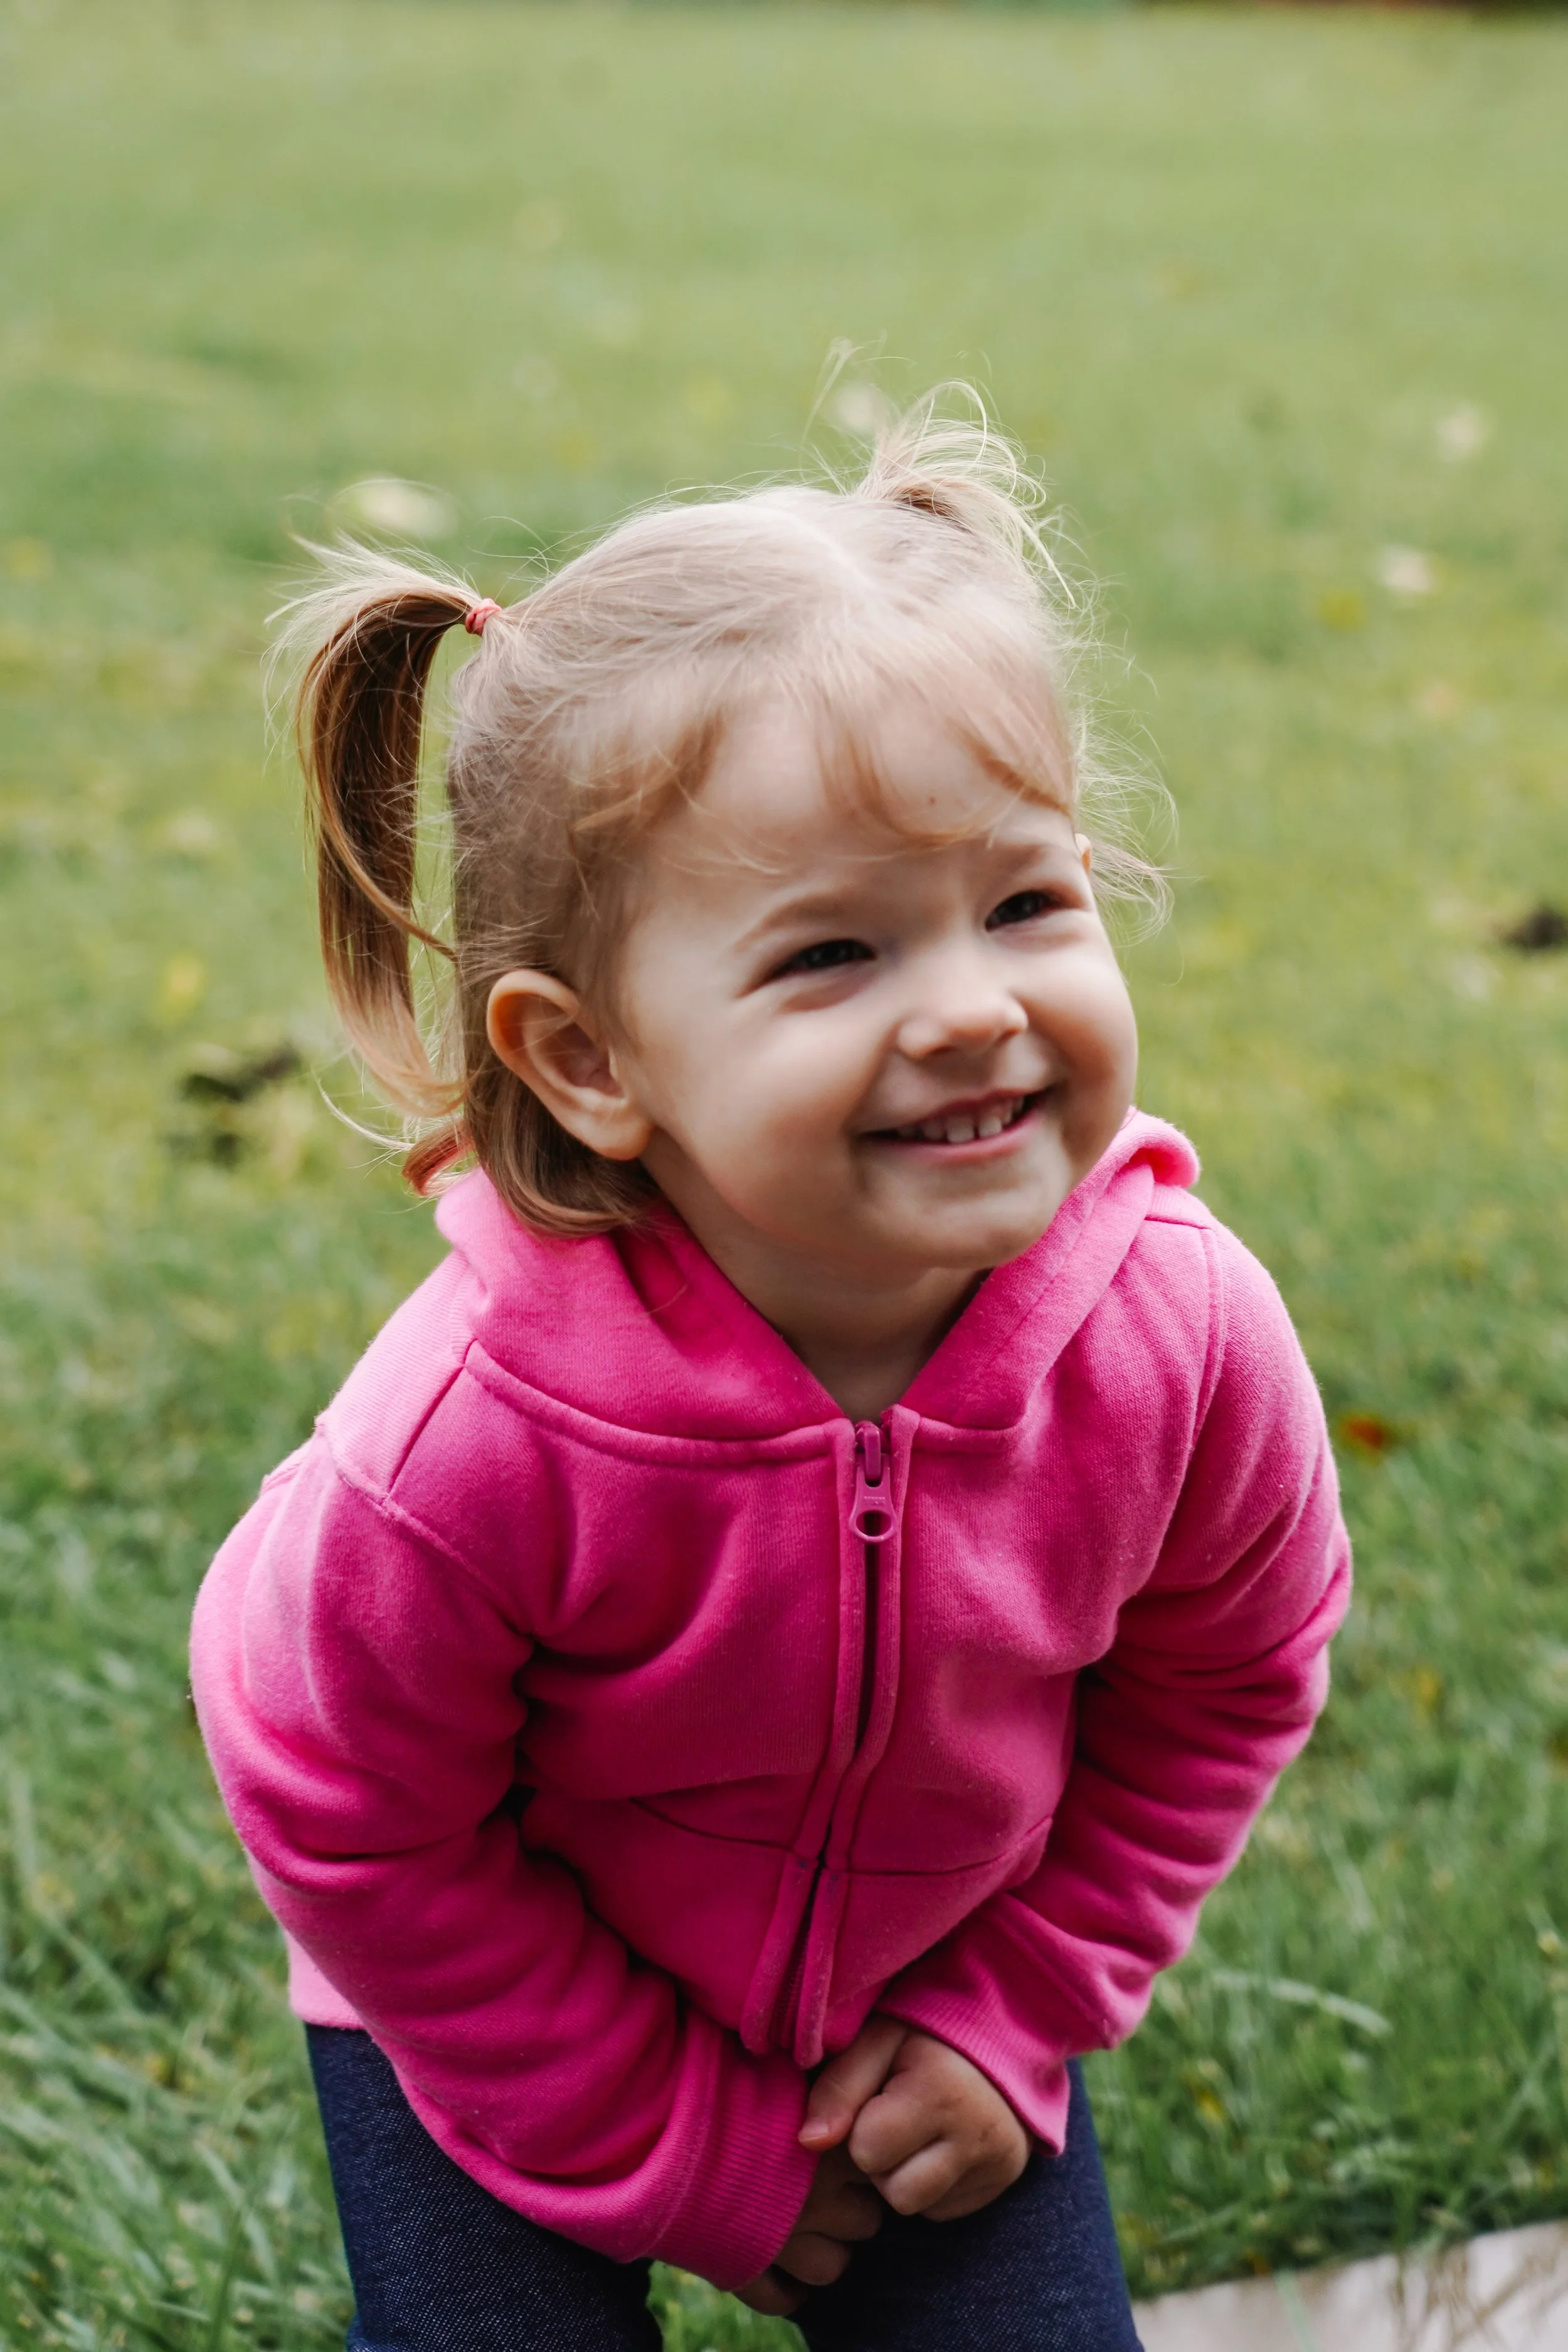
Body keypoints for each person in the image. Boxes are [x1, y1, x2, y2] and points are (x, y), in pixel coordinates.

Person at [190, 392, 1350, 2352]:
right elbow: (342, 1794)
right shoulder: (478, 1431)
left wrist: (1016, 2011)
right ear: (586, 1060)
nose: (971, 1004)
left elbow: (1229, 1676)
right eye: (832, 955)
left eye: (1024, 900)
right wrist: (669, 2141)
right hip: (494, 2009)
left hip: (927, 2012)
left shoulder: (1179, 1338)